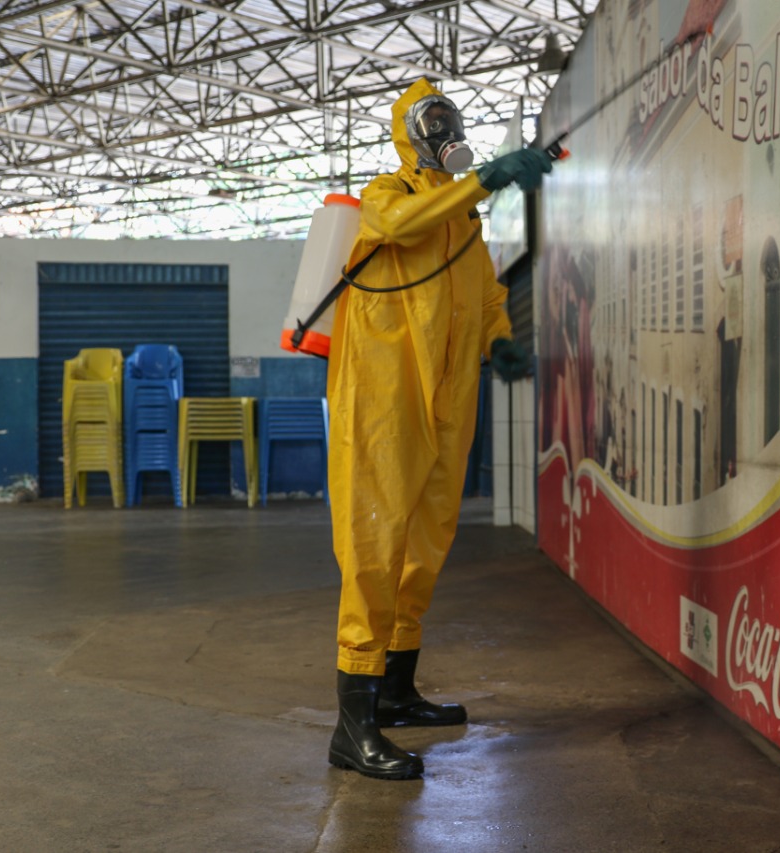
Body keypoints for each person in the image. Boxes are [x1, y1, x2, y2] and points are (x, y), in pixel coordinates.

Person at [325, 78, 552, 780]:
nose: (445, 127)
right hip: (384, 400)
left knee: (425, 541)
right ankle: (352, 722)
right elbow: (397, 230)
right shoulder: (388, 195)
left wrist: (501, 339)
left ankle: (395, 689)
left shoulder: (465, 222)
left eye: (450, 115)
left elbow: (484, 292)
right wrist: (483, 179)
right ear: (410, 132)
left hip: (449, 400)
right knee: (374, 541)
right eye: (433, 119)